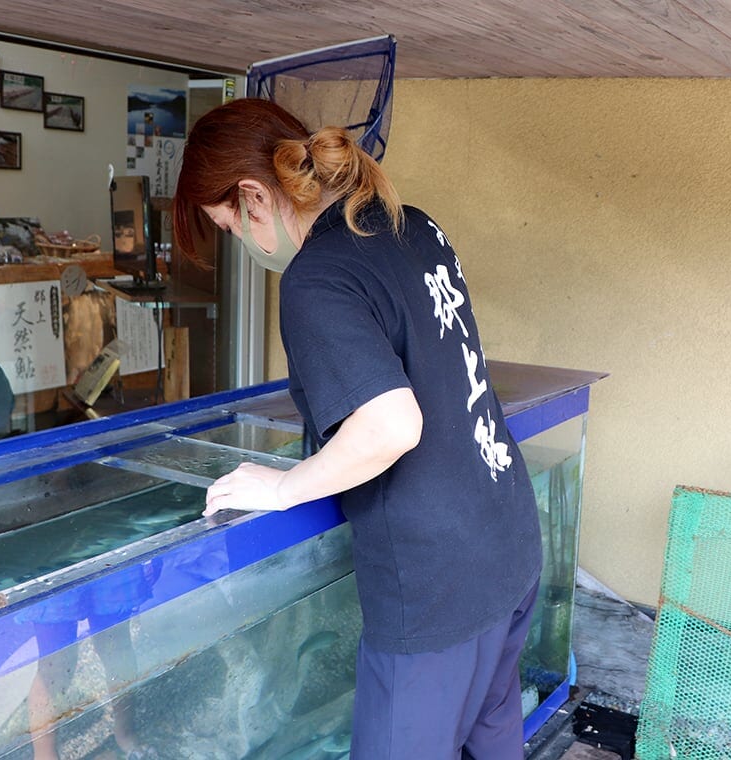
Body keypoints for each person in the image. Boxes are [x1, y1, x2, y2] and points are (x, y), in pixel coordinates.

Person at [171, 98, 542, 760]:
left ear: (254, 195)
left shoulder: (318, 278)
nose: (238, 242)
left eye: (228, 225)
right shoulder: (412, 224)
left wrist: (285, 487)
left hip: (435, 589)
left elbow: (390, 425)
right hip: (507, 538)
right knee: (492, 738)